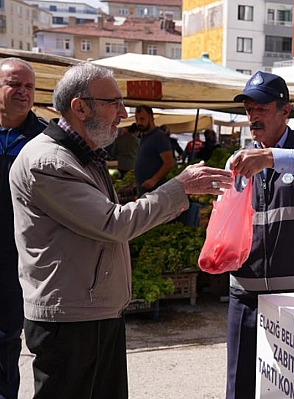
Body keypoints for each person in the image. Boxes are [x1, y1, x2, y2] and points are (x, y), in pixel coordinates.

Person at [9, 62, 233, 399]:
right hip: (70, 319)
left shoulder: (83, 155)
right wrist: (179, 187)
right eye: (114, 103)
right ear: (80, 107)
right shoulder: (49, 161)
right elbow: (114, 223)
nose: (124, 113)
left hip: (91, 310)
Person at [225, 71, 294, 398]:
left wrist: (272, 158)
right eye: (248, 109)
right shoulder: (241, 158)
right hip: (245, 295)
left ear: (285, 110)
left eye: (261, 108)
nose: (253, 117)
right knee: (241, 386)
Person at [0, 58, 46, 399]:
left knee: (6, 339)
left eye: (29, 87)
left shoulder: (44, 139)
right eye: (14, 84)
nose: (23, 92)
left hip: (18, 257)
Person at [134, 105, 174, 195]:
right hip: (144, 189)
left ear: (151, 118)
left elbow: (169, 163)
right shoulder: (144, 136)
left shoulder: (159, 137)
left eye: (142, 119)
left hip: (155, 191)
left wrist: (153, 180)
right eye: (137, 119)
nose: (139, 122)